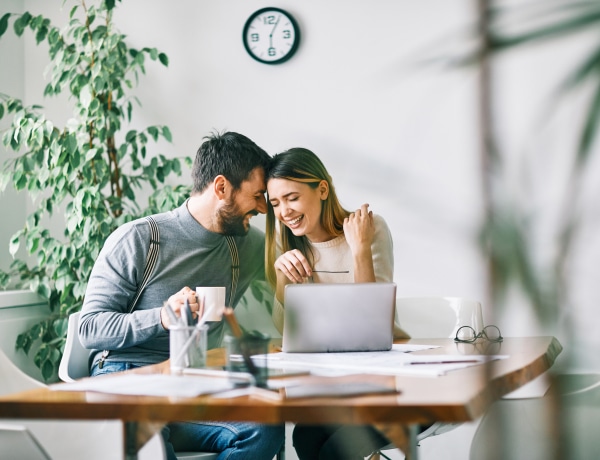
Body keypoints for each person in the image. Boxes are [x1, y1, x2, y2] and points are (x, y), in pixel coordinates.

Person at [79, 131, 284, 460]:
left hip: (193, 383)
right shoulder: (140, 239)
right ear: (221, 187)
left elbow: (302, 275)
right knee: (151, 445)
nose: (263, 207)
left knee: (264, 426)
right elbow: (90, 329)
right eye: (258, 195)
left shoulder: (246, 245)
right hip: (128, 377)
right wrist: (162, 316)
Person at [264, 147, 408, 460]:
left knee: (334, 449)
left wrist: (359, 250)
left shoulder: (369, 228)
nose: (284, 211)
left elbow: (373, 320)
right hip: (329, 381)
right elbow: (286, 331)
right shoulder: (288, 242)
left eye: (292, 197)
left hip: (383, 381)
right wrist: (282, 281)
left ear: (323, 189)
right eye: (275, 203)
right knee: (304, 436)